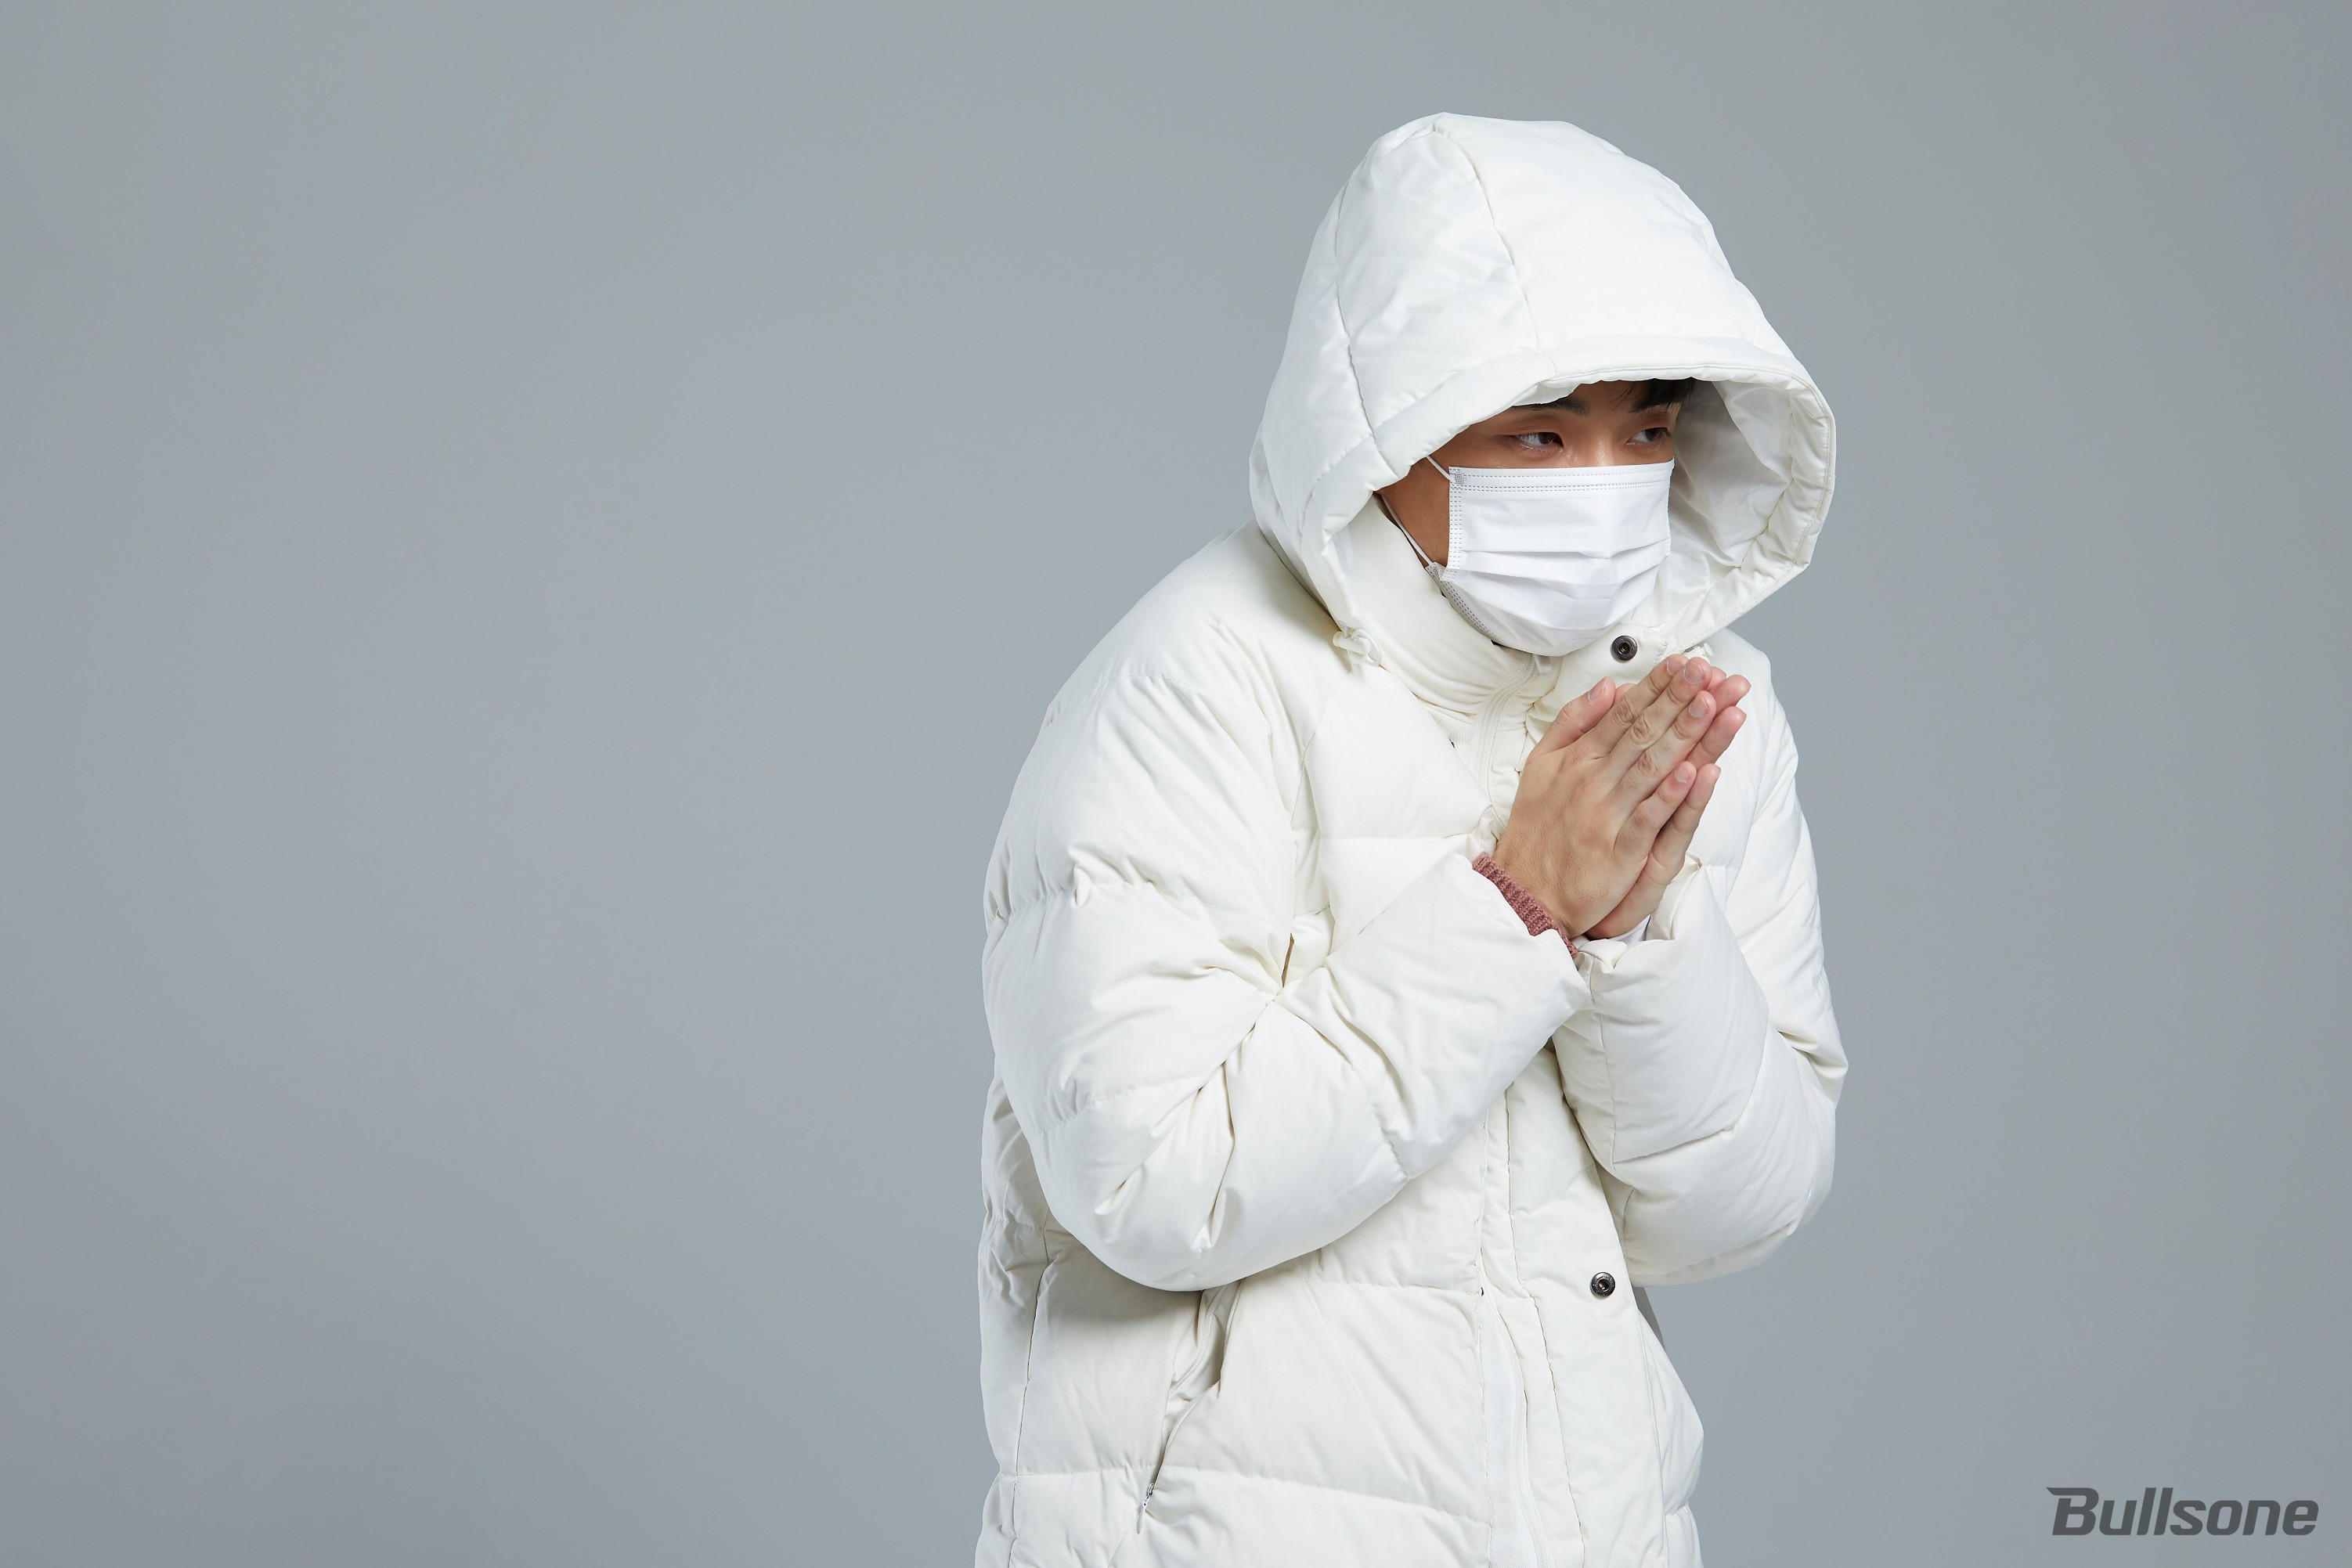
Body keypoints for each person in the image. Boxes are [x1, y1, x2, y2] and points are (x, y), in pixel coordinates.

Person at [975, 114, 1845, 1568]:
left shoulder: (1691, 709)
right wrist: (1517, 908)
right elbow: (1146, 1180)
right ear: (1384, 429)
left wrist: (1629, 939)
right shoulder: (1198, 681)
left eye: (1646, 430)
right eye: (1539, 432)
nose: (1605, 481)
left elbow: (1732, 1210)